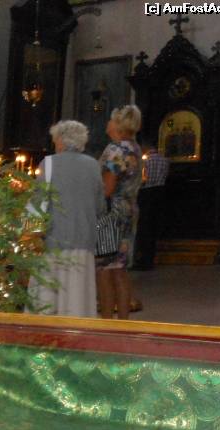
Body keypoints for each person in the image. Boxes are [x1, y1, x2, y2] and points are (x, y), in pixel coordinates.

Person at [30, 120, 106, 318]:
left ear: (61, 141)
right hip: (84, 240)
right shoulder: (93, 165)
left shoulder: (48, 163)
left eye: (55, 140)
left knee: (48, 298)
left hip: (54, 239)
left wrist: (29, 233)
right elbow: (100, 207)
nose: (54, 144)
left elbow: (37, 203)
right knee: (78, 297)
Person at [97, 104, 143, 320]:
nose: (107, 123)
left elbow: (107, 188)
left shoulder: (116, 150)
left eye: (110, 119)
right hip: (128, 209)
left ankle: (107, 322)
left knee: (105, 269)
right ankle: (124, 322)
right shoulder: (134, 147)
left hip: (111, 213)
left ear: (118, 124)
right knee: (120, 269)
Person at [133, 137, 170, 271]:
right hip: (160, 193)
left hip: (146, 193)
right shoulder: (164, 160)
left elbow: (142, 178)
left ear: (145, 147)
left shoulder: (145, 161)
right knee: (153, 226)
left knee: (144, 227)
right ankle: (151, 258)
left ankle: (143, 259)